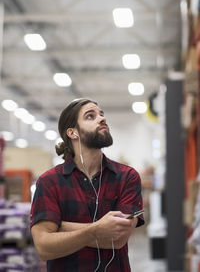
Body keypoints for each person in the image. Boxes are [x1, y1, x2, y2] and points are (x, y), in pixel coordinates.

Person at [30, 98, 144, 272]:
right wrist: (98, 229)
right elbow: (44, 248)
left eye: (101, 114)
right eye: (91, 116)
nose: (102, 118)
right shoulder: (49, 182)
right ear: (72, 133)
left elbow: (119, 238)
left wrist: (62, 227)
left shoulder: (127, 177)